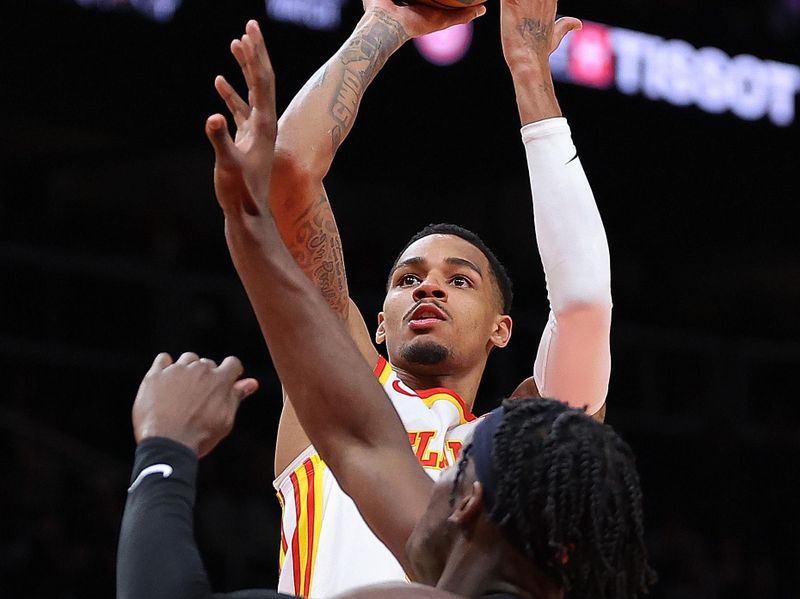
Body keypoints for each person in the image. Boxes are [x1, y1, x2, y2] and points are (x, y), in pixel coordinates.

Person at [117, 31, 654, 596]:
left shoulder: (509, 456)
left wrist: (530, 74)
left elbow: (584, 306)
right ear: (377, 321)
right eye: (408, 279)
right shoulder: (348, 397)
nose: (430, 289)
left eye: (460, 280)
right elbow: (290, 175)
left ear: (503, 329)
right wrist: (380, 24)